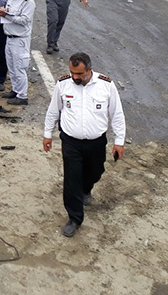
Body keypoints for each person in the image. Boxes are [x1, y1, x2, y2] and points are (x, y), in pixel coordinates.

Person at [43, 53, 125, 238]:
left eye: (79, 73)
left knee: (95, 171)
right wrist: (47, 134)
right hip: (71, 141)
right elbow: (53, 111)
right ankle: (74, 218)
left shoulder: (106, 85)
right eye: (72, 72)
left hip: (96, 142)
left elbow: (117, 114)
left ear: (89, 70)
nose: (75, 77)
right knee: (71, 179)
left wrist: (119, 141)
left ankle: (86, 188)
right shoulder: (63, 84)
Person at [0, 0, 35, 106]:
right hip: (10, 37)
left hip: (20, 40)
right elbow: (11, 13)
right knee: (12, 67)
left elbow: (24, 20)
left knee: (19, 68)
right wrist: (5, 11)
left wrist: (6, 15)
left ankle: (22, 96)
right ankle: (15, 90)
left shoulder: (27, 1)